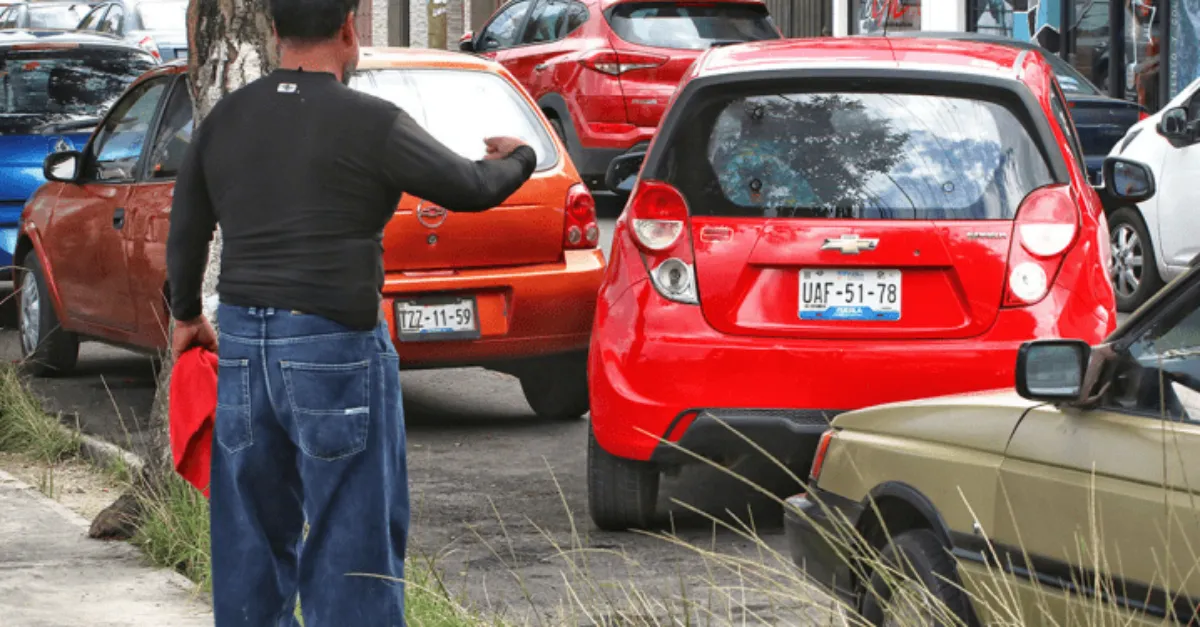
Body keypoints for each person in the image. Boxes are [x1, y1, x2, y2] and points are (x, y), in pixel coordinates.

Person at [164, 0, 537, 622]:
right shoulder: (372, 122)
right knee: (350, 542)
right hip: (333, 348)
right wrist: (519, 155)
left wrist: (185, 318)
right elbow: (473, 188)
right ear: (348, 28)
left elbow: (186, 229)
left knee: (249, 542)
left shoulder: (225, 118)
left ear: (275, 31)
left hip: (242, 350)